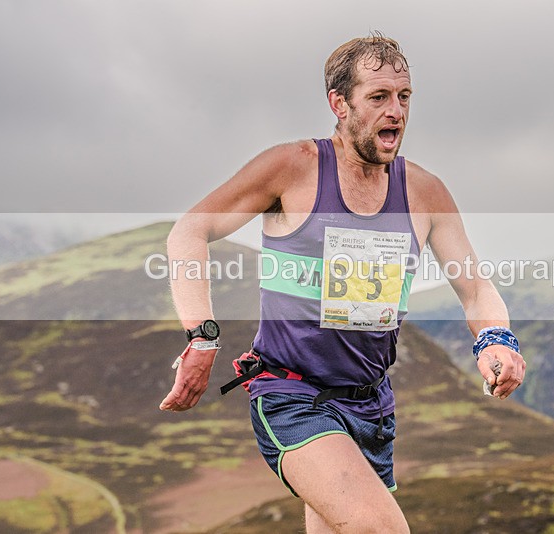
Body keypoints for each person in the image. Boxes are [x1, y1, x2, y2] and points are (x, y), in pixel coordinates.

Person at [160, 33, 526, 533]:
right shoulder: (293, 168)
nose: (395, 111)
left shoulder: (424, 191)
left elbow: (477, 289)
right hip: (294, 396)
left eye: (404, 97)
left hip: (372, 409)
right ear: (339, 104)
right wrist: (201, 336)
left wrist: (495, 341)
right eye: (378, 97)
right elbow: (191, 230)